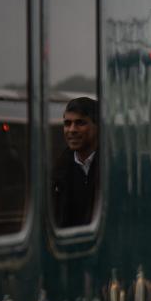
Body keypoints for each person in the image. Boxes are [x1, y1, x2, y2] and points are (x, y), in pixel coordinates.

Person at [52, 96, 99, 227]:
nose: (72, 130)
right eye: (67, 124)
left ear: (98, 126)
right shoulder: (57, 174)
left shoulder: (115, 169)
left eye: (80, 123)